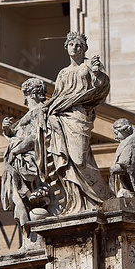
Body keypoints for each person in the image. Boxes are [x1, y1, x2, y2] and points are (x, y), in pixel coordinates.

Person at [45, 32, 112, 214]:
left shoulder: (89, 66)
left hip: (79, 116)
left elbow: (101, 85)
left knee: (80, 159)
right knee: (68, 162)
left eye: (78, 45)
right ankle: (77, 202)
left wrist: (98, 74)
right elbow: (57, 97)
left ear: (84, 49)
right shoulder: (63, 73)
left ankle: (103, 198)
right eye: (71, 45)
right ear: (66, 47)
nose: (74, 48)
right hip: (62, 117)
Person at [1, 78, 51, 236]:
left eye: (26, 94)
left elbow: (37, 137)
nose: (24, 99)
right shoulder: (29, 114)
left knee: (21, 200)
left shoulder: (40, 111)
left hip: (27, 164)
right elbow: (20, 134)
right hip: (17, 165)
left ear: (33, 94)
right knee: (18, 200)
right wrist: (8, 131)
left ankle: (28, 233)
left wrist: (16, 150)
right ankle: (26, 233)